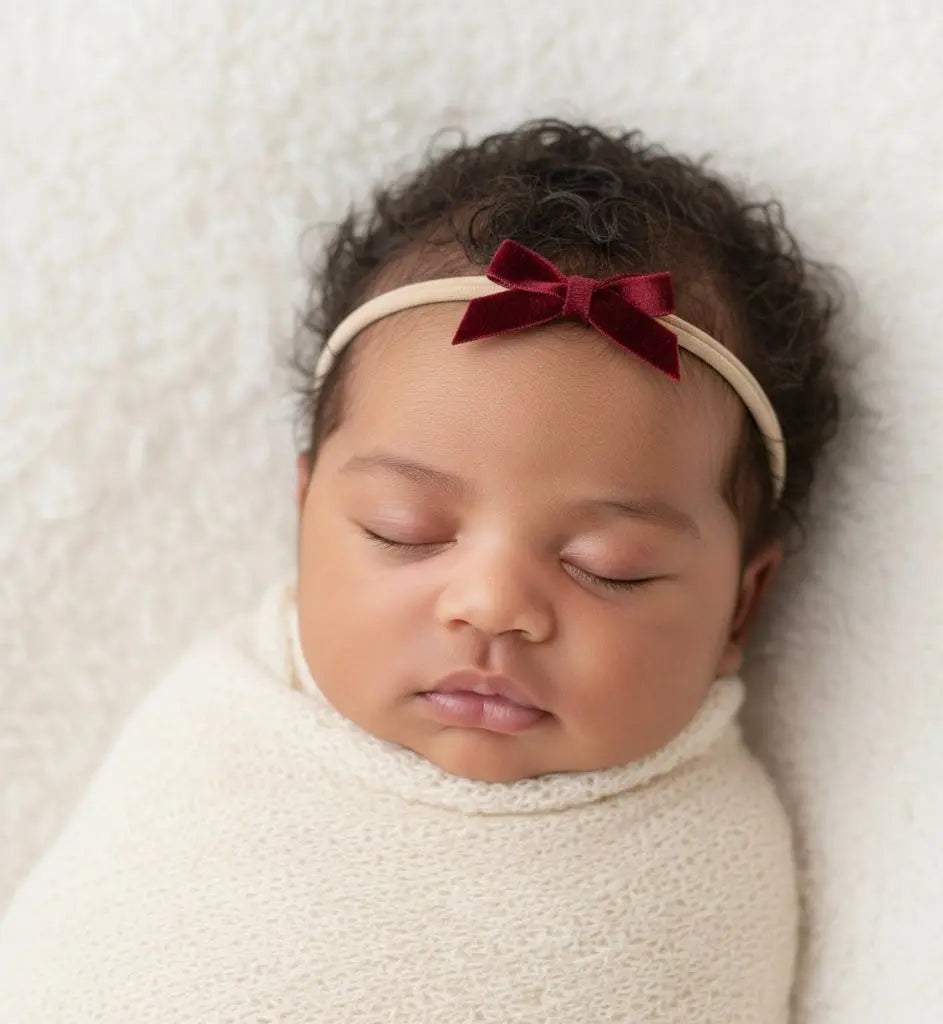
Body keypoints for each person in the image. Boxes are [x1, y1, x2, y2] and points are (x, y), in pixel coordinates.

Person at [0, 118, 842, 1022]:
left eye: (610, 567)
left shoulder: (703, 880)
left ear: (742, 605)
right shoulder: (212, 742)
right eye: (403, 531)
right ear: (305, 514)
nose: (492, 605)